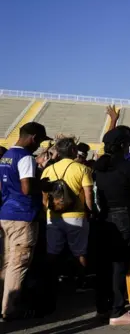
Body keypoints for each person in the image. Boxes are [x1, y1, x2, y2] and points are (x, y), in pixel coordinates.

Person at [93, 127, 130, 325]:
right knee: (119, 266)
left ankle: (103, 308)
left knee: (104, 266)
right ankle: (117, 312)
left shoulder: (99, 167)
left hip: (103, 217)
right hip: (124, 216)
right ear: (123, 144)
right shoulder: (127, 166)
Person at [0, 122, 50, 321]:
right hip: (23, 215)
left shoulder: (6, 157)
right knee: (18, 264)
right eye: (39, 141)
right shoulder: (25, 157)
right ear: (34, 138)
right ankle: (10, 309)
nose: (38, 146)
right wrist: (44, 185)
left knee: (6, 263)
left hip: (6, 213)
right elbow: (27, 188)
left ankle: (3, 304)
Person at [41, 138, 94, 312]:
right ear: (73, 151)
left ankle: (50, 281)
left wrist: (46, 213)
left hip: (54, 216)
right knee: (80, 251)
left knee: (52, 251)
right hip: (76, 215)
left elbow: (44, 196)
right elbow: (88, 195)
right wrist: (89, 212)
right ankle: (81, 281)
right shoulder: (82, 168)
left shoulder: (48, 169)